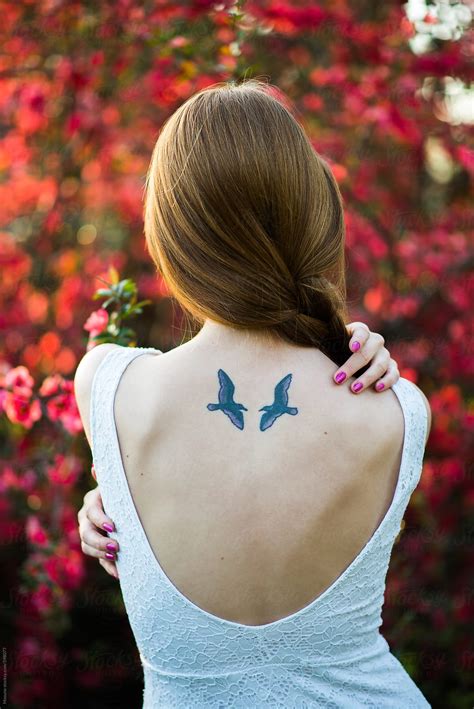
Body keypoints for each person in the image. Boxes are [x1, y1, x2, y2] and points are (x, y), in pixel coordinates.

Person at [74, 79, 432, 708]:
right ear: (311, 215)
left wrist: (116, 499)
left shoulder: (108, 386)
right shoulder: (395, 410)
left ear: (173, 234)